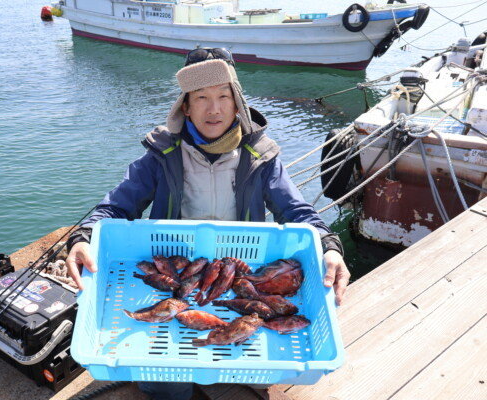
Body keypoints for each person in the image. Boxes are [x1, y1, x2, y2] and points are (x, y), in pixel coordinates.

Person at [65, 48, 350, 400]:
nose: (213, 109)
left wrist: (330, 246)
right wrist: (83, 237)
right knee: (164, 386)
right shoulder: (162, 154)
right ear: (186, 106)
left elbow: (297, 211)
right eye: (201, 97)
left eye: (223, 96)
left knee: (251, 375)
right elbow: (115, 206)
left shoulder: (260, 156)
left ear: (237, 103)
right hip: (179, 269)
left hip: (237, 269)